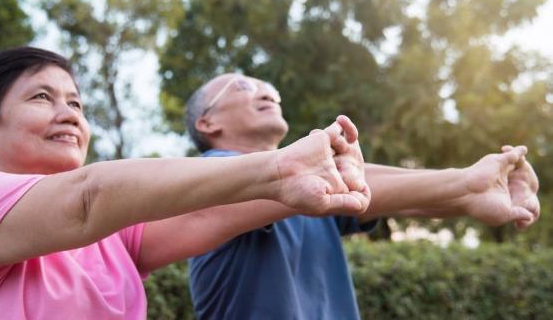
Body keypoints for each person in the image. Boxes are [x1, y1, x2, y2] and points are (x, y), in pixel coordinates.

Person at [0, 47, 371, 320]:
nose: (69, 114)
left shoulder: (113, 238)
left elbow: (204, 211)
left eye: (76, 103)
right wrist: (278, 168)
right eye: (42, 97)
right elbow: (86, 198)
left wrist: (304, 182)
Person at [186, 73, 541, 320]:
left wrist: (483, 192)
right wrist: (465, 184)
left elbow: (395, 196)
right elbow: (349, 183)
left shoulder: (311, 186)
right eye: (243, 87)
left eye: (269, 88)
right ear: (207, 123)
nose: (265, 93)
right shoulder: (211, 176)